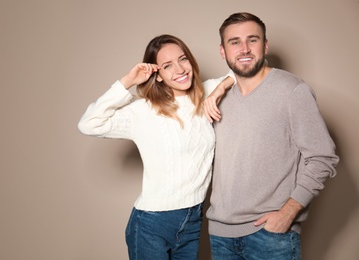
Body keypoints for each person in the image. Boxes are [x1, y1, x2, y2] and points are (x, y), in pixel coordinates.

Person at [78, 34, 234, 259]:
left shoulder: (207, 93)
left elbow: (252, 70)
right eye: (167, 66)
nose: (180, 70)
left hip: (193, 220)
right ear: (157, 75)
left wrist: (222, 88)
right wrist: (128, 81)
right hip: (152, 224)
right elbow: (88, 123)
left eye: (183, 59)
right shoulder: (144, 111)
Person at [203, 12, 339, 259]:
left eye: (252, 40)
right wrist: (222, 86)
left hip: (270, 236)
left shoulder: (292, 90)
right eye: (234, 42)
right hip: (221, 235)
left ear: (265, 45)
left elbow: (322, 157)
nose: (244, 49)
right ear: (223, 51)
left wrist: (287, 214)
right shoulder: (216, 97)